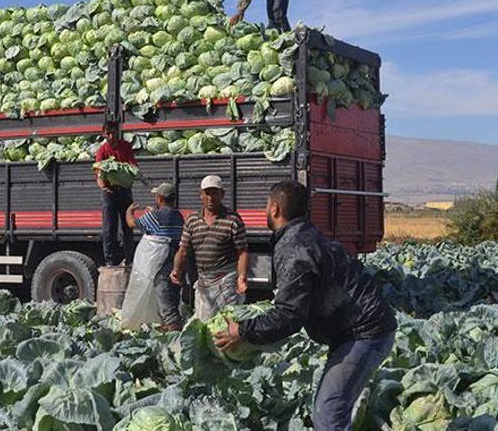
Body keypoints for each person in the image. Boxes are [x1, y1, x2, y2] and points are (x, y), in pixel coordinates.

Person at [213, 180, 397, 431]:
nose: (266, 209)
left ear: (275, 209)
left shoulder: (293, 247)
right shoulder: (304, 235)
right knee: (328, 407)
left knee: (329, 412)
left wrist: (242, 331)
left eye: (267, 205)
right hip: (359, 329)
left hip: (364, 333)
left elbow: (290, 315)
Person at [170, 175, 248, 321]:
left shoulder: (232, 220)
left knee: (229, 320)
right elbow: (183, 249)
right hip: (204, 280)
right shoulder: (192, 220)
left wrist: (242, 277)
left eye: (215, 193)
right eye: (207, 193)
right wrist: (177, 269)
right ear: (201, 195)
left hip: (226, 279)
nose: (211, 198)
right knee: (204, 323)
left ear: (222, 194)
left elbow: (242, 252)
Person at [125, 183, 185, 330]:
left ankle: (173, 329)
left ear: (159, 199)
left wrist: (129, 211)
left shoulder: (155, 216)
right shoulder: (178, 216)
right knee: (172, 294)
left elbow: (131, 224)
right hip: (175, 260)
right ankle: (168, 326)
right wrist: (152, 213)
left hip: (160, 262)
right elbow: (164, 226)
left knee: (164, 296)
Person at [94, 121, 139, 266]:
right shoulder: (102, 150)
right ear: (104, 134)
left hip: (124, 191)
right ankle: (110, 261)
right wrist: (102, 187)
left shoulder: (125, 146)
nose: (111, 136)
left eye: (114, 132)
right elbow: (99, 173)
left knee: (128, 228)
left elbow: (133, 166)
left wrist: (124, 171)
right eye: (108, 133)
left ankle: (130, 259)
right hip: (109, 192)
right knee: (109, 230)